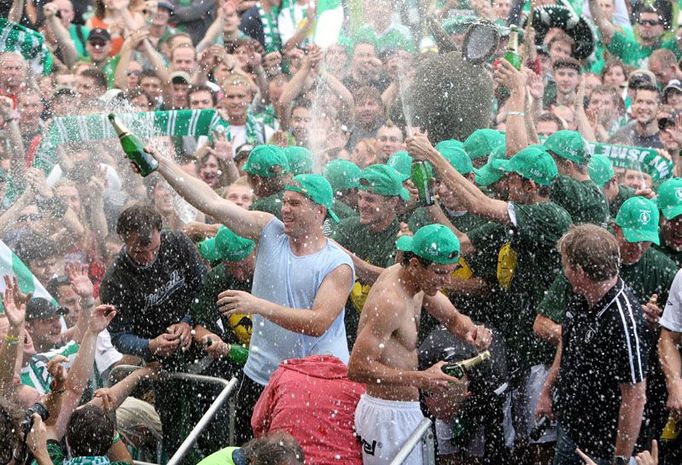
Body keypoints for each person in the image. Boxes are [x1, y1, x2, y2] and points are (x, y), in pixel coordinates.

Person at [149, 147, 354, 443]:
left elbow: (318, 322)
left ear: (320, 211)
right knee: (249, 452)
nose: (285, 209)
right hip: (260, 373)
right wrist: (163, 166)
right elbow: (212, 202)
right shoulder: (269, 230)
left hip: (313, 380)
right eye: (284, 202)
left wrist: (258, 305)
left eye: (295, 204)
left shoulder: (336, 263)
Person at [348, 224, 492, 465]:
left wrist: (473, 333)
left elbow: (455, 320)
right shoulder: (390, 302)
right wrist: (420, 378)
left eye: (450, 272)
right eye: (439, 273)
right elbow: (356, 368)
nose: (446, 281)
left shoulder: (420, 283)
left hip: (406, 411)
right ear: (415, 264)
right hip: (386, 414)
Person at [100, 204, 210, 457]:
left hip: (203, 347)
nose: (148, 258)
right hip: (161, 366)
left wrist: (187, 321)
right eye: (139, 251)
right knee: (175, 437)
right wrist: (150, 345)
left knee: (212, 425)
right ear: (125, 240)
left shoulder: (177, 243)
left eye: (154, 250)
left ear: (161, 233)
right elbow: (119, 337)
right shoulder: (116, 279)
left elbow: (203, 288)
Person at [536, 224, 648, 465]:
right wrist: (547, 389)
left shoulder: (623, 320)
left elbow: (635, 396)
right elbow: (566, 342)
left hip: (602, 444)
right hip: (572, 427)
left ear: (579, 271)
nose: (563, 270)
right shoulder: (581, 294)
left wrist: (620, 460)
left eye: (565, 264)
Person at [252, 355, 365, 465]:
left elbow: (257, 423)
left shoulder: (284, 374)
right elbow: (371, 441)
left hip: (285, 458)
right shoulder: (358, 387)